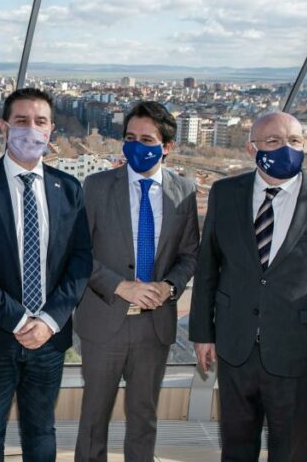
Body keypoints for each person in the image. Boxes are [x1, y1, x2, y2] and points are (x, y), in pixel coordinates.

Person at [189, 111, 307, 462]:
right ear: (253, 148)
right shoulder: (226, 193)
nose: (287, 149)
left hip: (300, 353)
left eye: (295, 141)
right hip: (235, 347)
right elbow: (208, 267)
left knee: (291, 451)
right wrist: (202, 333)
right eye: (274, 141)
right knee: (236, 446)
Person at [0, 87, 91, 462]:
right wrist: (17, 318)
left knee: (42, 430)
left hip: (49, 337)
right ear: (3, 127)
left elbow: (80, 261)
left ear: (51, 131)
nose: (31, 129)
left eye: (40, 122)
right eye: (22, 121)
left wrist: (48, 320)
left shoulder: (69, 189)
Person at [74, 101, 199, 462]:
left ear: (167, 147)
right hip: (104, 320)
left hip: (154, 327)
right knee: (94, 418)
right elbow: (78, 252)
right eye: (130, 138)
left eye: (146, 139)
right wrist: (119, 285)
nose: (136, 146)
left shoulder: (185, 192)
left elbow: (190, 254)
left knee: (144, 417)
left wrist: (170, 287)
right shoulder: (96, 187)